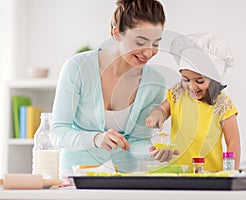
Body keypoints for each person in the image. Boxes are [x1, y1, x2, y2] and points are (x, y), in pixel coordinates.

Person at [52, 0, 178, 177]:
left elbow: (137, 140)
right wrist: (96, 139)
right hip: (76, 177)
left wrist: (152, 152)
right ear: (117, 33)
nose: (149, 53)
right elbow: (59, 131)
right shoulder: (77, 68)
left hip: (125, 178)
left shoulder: (154, 82)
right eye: (141, 42)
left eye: (155, 43)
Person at [146, 33, 241, 172]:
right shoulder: (177, 94)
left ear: (215, 79)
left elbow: (233, 143)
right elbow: (162, 110)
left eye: (200, 81)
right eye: (186, 79)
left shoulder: (223, 105)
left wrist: (232, 173)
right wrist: (156, 116)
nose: (192, 86)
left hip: (210, 175)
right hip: (179, 173)